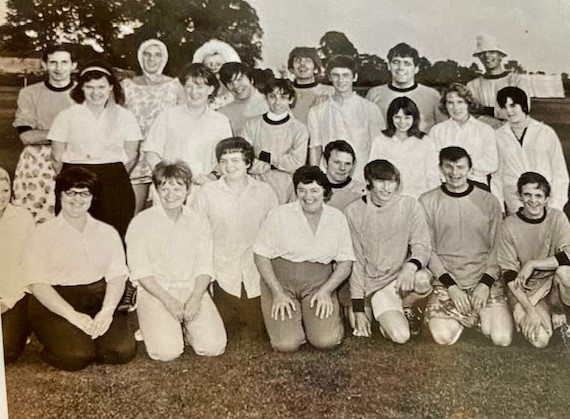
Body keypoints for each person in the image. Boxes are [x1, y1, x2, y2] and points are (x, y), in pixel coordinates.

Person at [22, 167, 136, 371]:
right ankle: (57, 342)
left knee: (120, 351)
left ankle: (89, 336)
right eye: (71, 193)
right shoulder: (43, 233)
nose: (78, 199)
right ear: (60, 195)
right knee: (76, 356)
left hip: (98, 298)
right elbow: (37, 283)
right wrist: (72, 315)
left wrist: (107, 311)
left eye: (84, 193)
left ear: (92, 197)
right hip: (56, 300)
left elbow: (117, 275)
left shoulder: (107, 232)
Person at [126, 162, 226, 360]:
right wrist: (169, 301)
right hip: (157, 292)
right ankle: (154, 325)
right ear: (156, 190)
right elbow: (140, 270)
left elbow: (204, 265)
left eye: (177, 188)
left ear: (188, 190)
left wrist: (196, 297)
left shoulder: (198, 221)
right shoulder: (141, 222)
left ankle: (184, 328)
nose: (171, 195)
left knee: (214, 347)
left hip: (191, 290)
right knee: (167, 352)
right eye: (165, 188)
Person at [253, 166, 355, 352]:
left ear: (325, 192)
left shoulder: (337, 218)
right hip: (281, 282)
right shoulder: (279, 215)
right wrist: (277, 293)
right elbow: (260, 255)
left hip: (318, 284)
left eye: (314, 190)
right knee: (286, 344)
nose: (308, 197)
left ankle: (317, 318)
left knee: (326, 341)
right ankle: (287, 322)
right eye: (302, 190)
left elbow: (345, 262)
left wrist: (326, 290)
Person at [419, 147, 512, 347]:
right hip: (447, 282)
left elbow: (498, 248)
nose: (454, 173)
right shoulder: (427, 201)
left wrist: (485, 283)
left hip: (483, 280)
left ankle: (477, 316)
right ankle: (463, 317)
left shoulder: (489, 201)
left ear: (470, 169)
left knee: (501, 338)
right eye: (448, 167)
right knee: (444, 337)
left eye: (460, 167)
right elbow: (428, 249)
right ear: (440, 168)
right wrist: (451, 286)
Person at [192, 137, 278, 338]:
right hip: (221, 274)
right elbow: (198, 237)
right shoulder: (207, 193)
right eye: (224, 161)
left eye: (235, 160)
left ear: (247, 163)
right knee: (222, 331)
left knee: (258, 331)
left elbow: (275, 235)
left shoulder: (265, 192)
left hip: (255, 274)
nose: (229, 166)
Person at [48, 61, 141, 239]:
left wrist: (112, 175)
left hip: (113, 182)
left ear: (111, 87)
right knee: (72, 234)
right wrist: (72, 179)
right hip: (74, 178)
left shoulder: (125, 117)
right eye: (89, 87)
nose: (95, 93)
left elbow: (132, 155)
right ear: (81, 87)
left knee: (113, 233)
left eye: (101, 87)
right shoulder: (67, 116)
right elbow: (56, 157)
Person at [345, 160, 432, 342]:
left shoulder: (409, 205)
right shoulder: (353, 211)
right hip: (375, 284)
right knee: (400, 336)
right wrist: (359, 308)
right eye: (380, 181)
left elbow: (422, 246)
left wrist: (410, 267)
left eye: (391, 182)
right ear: (369, 181)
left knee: (422, 279)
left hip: (403, 277)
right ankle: (384, 314)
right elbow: (357, 263)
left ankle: (408, 306)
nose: (386, 188)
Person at [497, 172, 570, 348]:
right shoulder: (508, 226)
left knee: (565, 272)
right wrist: (530, 311)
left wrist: (533, 264)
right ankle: (551, 318)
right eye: (527, 194)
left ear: (547, 198)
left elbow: (567, 255)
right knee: (540, 340)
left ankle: (561, 313)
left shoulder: (557, 218)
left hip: (554, 286)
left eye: (538, 195)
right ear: (519, 196)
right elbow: (509, 276)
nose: (533, 200)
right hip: (525, 291)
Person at [12, 44, 77, 223]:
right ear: (44, 65)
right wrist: (66, 133)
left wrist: (44, 133)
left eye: (64, 62)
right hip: (37, 164)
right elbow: (27, 136)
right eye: (53, 62)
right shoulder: (30, 93)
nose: (58, 68)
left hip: (75, 158)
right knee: (34, 220)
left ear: (74, 65)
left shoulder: (85, 93)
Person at [143, 63, 232, 190]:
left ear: (211, 89)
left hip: (206, 188)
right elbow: (151, 152)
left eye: (199, 86)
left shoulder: (221, 121)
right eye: (189, 86)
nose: (194, 92)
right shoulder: (168, 116)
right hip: (170, 189)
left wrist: (211, 177)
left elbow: (226, 156)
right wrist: (167, 178)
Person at [122, 39, 185, 214]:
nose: (152, 59)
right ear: (140, 57)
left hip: (164, 155)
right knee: (132, 213)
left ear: (164, 58)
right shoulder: (127, 86)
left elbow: (185, 120)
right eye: (147, 54)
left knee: (166, 212)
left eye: (157, 55)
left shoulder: (175, 86)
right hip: (134, 158)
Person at [308, 55, 384, 182]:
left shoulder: (371, 109)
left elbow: (378, 148)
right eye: (336, 75)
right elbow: (315, 147)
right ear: (329, 77)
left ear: (354, 77)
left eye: (345, 75)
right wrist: (315, 179)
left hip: (360, 179)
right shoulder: (317, 110)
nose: (340, 80)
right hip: (328, 179)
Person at [494, 86, 569, 215]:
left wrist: (556, 206)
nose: (509, 111)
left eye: (513, 105)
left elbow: (560, 173)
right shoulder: (498, 136)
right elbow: (497, 177)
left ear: (523, 105)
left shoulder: (545, 132)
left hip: (545, 198)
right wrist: (500, 208)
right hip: (514, 198)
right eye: (504, 107)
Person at [242, 78, 309, 203]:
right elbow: (244, 158)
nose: (277, 102)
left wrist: (264, 156)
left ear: (291, 99)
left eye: (283, 97)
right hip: (255, 183)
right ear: (266, 98)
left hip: (285, 188)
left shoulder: (299, 129)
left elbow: (297, 162)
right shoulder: (251, 124)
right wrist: (267, 166)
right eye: (272, 96)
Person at [430, 82, 499, 193]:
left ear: (468, 103)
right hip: (445, 185)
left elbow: (491, 164)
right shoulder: (437, 131)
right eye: (450, 103)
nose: (455, 107)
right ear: (445, 105)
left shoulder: (485, 130)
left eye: (460, 102)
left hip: (477, 185)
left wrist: (460, 167)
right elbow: (432, 162)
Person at [368, 97, 439, 199]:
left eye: (407, 118)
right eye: (397, 117)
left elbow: (433, 177)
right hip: (389, 199)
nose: (402, 122)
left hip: (418, 198)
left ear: (414, 118)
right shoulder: (380, 141)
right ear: (391, 118)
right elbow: (373, 172)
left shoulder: (425, 142)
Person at [365, 42, 444, 133]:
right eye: (396, 62)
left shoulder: (432, 96)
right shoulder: (374, 94)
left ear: (416, 68)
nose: (401, 68)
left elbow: (442, 130)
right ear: (389, 66)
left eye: (407, 63)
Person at [0, 167, 35, 363]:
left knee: (6, 352)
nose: (1, 197)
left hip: (15, 294)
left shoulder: (22, 218)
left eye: (5, 190)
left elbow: (26, 268)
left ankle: (22, 327)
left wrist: (7, 302)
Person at [466, 34, 532, 129]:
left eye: (492, 52)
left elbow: (522, 111)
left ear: (501, 56)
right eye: (482, 53)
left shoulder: (516, 80)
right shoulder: (472, 85)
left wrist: (485, 111)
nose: (487, 56)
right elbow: (471, 116)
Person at [287, 47, 334, 125]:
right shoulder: (283, 92)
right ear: (292, 68)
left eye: (308, 60)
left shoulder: (330, 92)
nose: (302, 64)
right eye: (297, 60)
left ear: (315, 68)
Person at [218, 62, 268, 135]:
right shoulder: (223, 113)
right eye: (230, 82)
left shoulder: (272, 103)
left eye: (239, 79)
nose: (235, 85)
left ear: (251, 80)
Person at [192, 39, 241, 109]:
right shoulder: (198, 91)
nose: (214, 68)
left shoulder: (235, 90)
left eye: (218, 64)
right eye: (209, 65)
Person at [323, 140, 365, 211]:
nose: (342, 168)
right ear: (325, 162)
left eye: (347, 164)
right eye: (337, 162)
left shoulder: (361, 192)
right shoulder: (311, 189)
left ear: (353, 165)